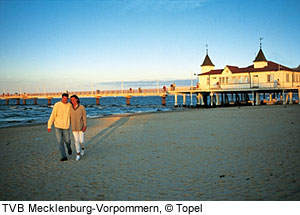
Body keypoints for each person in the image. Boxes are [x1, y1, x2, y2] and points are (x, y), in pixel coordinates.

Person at [48, 93, 72, 161]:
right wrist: (49, 125)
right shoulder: (57, 105)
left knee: (67, 141)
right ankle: (64, 156)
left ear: (67, 99)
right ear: (62, 98)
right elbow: (53, 115)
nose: (65, 99)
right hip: (57, 126)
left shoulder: (70, 105)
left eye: (66, 98)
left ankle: (69, 148)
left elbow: (73, 114)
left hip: (66, 126)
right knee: (60, 142)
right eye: (63, 98)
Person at [70, 95, 87, 161]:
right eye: (71, 100)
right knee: (76, 141)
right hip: (74, 127)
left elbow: (84, 117)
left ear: (77, 99)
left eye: (73, 99)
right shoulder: (70, 107)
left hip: (81, 126)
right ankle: (78, 154)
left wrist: (85, 125)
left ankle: (83, 148)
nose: (72, 101)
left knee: (81, 141)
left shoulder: (81, 107)